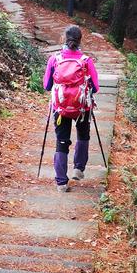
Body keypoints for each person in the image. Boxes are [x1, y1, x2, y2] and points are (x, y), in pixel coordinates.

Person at [43, 24, 99, 192]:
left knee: (62, 141)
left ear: (64, 39)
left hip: (60, 108)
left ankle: (61, 182)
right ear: (80, 40)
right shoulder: (86, 61)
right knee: (83, 135)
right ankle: (78, 168)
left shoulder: (54, 59)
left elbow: (47, 85)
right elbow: (95, 87)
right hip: (82, 107)